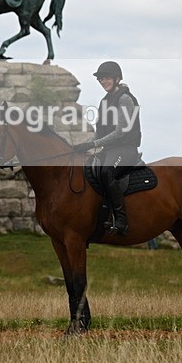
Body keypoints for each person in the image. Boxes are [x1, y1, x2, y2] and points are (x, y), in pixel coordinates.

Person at [73, 61, 142, 236]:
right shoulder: (104, 101)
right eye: (101, 79)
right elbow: (99, 132)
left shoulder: (125, 99)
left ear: (117, 78)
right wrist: (82, 145)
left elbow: (120, 133)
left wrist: (94, 144)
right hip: (110, 150)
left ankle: (121, 220)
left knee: (106, 172)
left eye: (107, 78)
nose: (104, 81)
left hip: (126, 149)